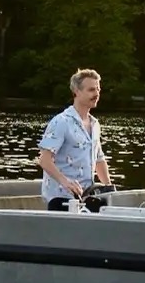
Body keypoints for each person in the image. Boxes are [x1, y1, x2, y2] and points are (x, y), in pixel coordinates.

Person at [38, 68, 113, 211]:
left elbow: (99, 159)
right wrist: (66, 182)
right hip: (61, 199)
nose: (96, 94)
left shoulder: (95, 124)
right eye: (91, 90)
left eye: (98, 89)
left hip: (86, 198)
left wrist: (110, 189)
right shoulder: (61, 122)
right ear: (76, 92)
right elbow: (44, 160)